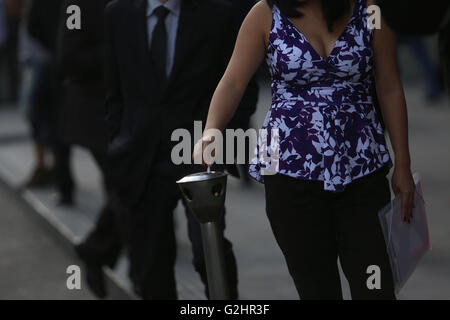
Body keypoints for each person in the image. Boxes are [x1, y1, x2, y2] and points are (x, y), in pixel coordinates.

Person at [194, 0, 416, 300]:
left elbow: (389, 86)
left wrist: (403, 163)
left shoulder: (370, 11)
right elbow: (233, 82)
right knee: (316, 289)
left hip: (362, 172)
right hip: (289, 177)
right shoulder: (265, 13)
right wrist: (211, 131)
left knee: (375, 286)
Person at [104, 0, 253, 299]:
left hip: (197, 151)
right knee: (152, 264)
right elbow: (112, 85)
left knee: (208, 251)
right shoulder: (118, 13)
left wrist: (221, 139)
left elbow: (240, 84)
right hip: (141, 155)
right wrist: (119, 139)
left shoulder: (217, 14)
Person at [56, 0, 120, 298]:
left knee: (129, 192)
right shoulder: (76, 7)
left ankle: (96, 250)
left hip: (127, 113)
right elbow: (69, 56)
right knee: (128, 189)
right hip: (95, 114)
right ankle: (96, 250)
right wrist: (123, 51)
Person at [27, 0, 75, 205]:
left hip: (58, 65)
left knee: (57, 124)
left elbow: (33, 26)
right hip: (67, 66)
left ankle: (63, 183)